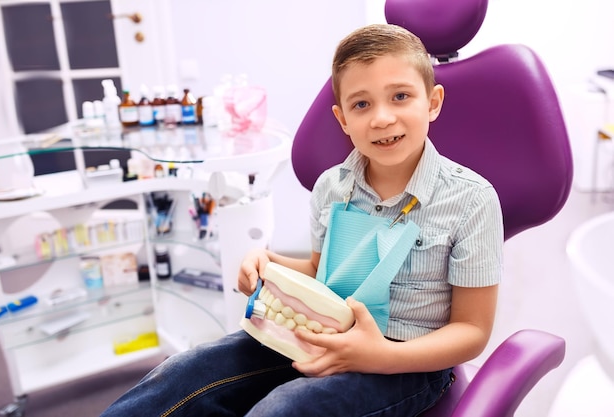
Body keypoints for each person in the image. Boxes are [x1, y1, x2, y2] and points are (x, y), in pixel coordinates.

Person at [100, 23, 503, 417]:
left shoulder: (472, 200)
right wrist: (268, 262)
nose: (381, 118)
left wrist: (384, 356)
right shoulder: (332, 186)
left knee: (283, 408)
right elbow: (319, 271)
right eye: (361, 104)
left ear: (432, 102)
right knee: (180, 376)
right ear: (342, 118)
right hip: (318, 332)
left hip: (409, 363)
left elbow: (471, 331)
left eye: (400, 96)